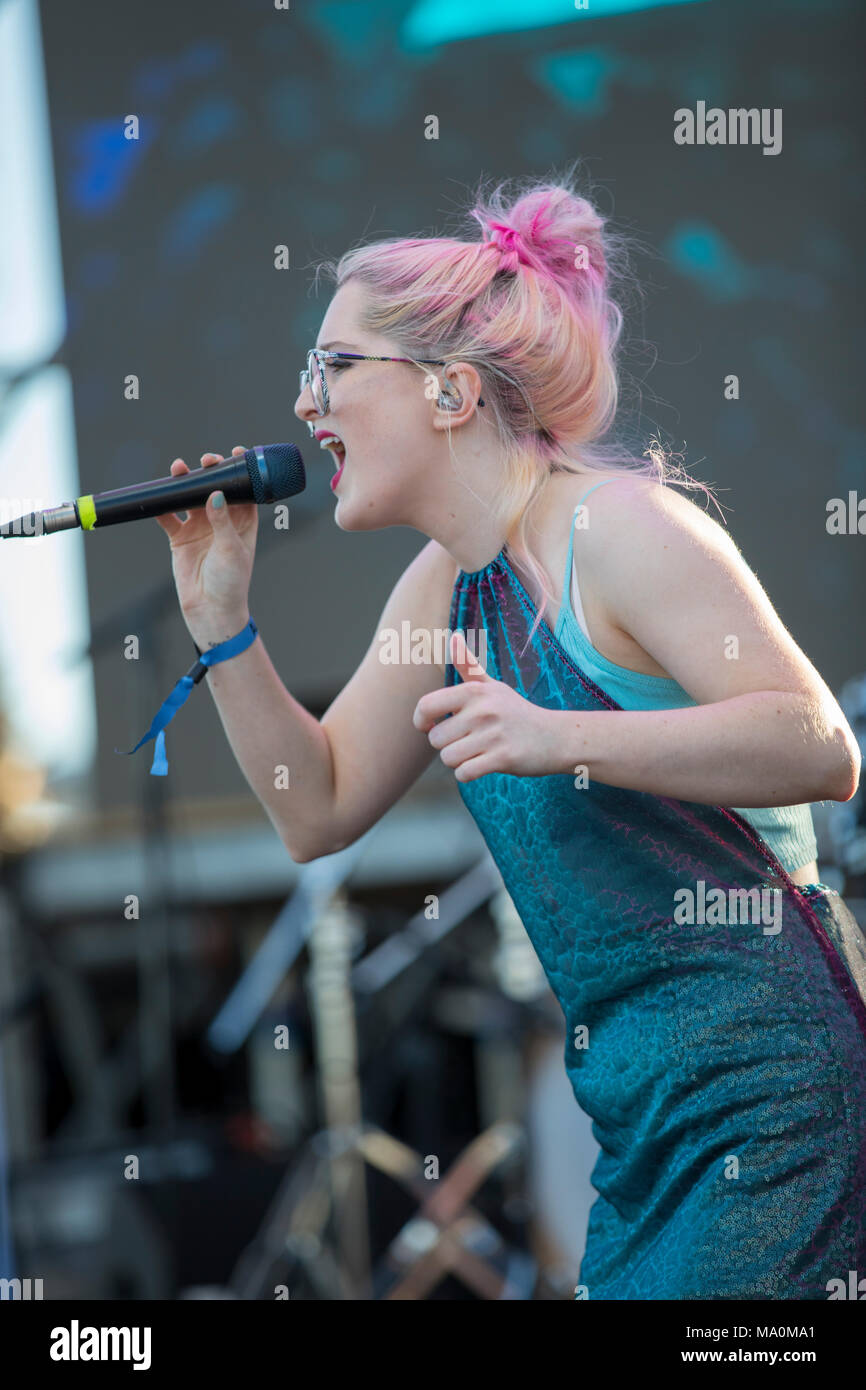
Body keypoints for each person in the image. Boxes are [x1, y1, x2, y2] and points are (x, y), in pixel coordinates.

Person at [156, 171, 866, 1299]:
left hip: (769, 1098)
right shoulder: (442, 588)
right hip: (641, 1133)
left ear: (446, 390)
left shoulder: (620, 525)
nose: (305, 405)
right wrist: (222, 627)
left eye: (333, 368)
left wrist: (556, 735)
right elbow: (314, 806)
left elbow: (816, 740)